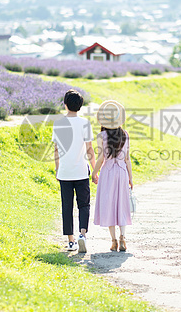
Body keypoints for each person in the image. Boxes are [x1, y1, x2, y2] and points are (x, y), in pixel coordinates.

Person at [52, 89, 95, 253]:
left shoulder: (58, 123)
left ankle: (71, 241)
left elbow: (56, 150)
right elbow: (89, 148)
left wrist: (57, 169)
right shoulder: (85, 123)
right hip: (81, 171)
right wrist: (94, 169)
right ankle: (82, 234)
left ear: (65, 104)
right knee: (84, 204)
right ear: (80, 106)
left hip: (65, 172)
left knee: (67, 206)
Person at [92, 100, 133, 252]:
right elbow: (127, 159)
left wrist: (94, 173)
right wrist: (130, 178)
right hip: (122, 172)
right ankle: (123, 237)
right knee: (121, 204)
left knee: (109, 206)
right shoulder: (125, 134)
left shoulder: (101, 135)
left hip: (108, 173)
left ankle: (114, 241)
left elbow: (101, 158)